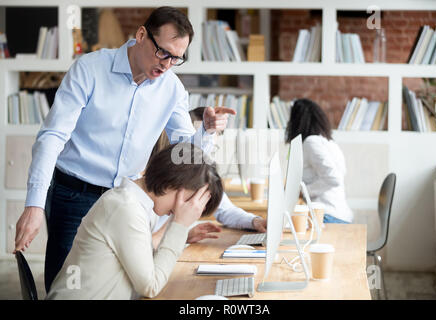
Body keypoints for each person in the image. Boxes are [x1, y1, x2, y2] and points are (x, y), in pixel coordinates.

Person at [14, 6, 235, 292]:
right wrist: (34, 203)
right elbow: (52, 137)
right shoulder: (90, 69)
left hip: (127, 202)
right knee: (69, 284)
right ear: (141, 35)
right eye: (163, 53)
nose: (168, 64)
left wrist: (205, 131)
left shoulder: (172, 90)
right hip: (73, 194)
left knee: (121, 283)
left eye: (177, 58)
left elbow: (184, 157)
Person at [46, 143, 223, 299]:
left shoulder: (136, 202)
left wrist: (181, 233)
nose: (184, 210)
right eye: (190, 201)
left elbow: (142, 250)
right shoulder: (125, 207)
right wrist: (179, 226)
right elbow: (150, 286)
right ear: (176, 185)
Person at [150, 107, 267, 243]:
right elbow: (145, 242)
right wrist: (180, 233)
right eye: (203, 145)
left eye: (211, 147)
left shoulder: (197, 175)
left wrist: (255, 221)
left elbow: (225, 210)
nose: (205, 156)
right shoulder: (156, 179)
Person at [285, 98, 353, 224]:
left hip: (328, 215)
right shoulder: (328, 142)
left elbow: (334, 179)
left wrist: (304, 192)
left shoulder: (311, 143)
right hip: (339, 214)